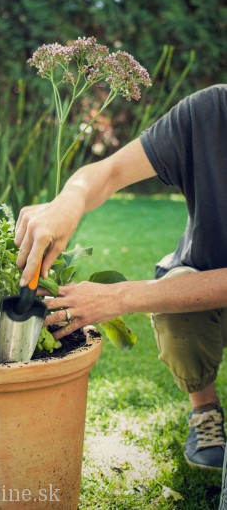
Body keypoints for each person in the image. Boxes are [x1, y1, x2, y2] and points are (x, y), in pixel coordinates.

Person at [14, 84, 227, 471]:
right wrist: (69, 201)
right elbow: (110, 171)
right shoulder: (211, 112)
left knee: (168, 292)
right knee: (178, 305)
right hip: (202, 279)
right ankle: (205, 408)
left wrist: (119, 297)